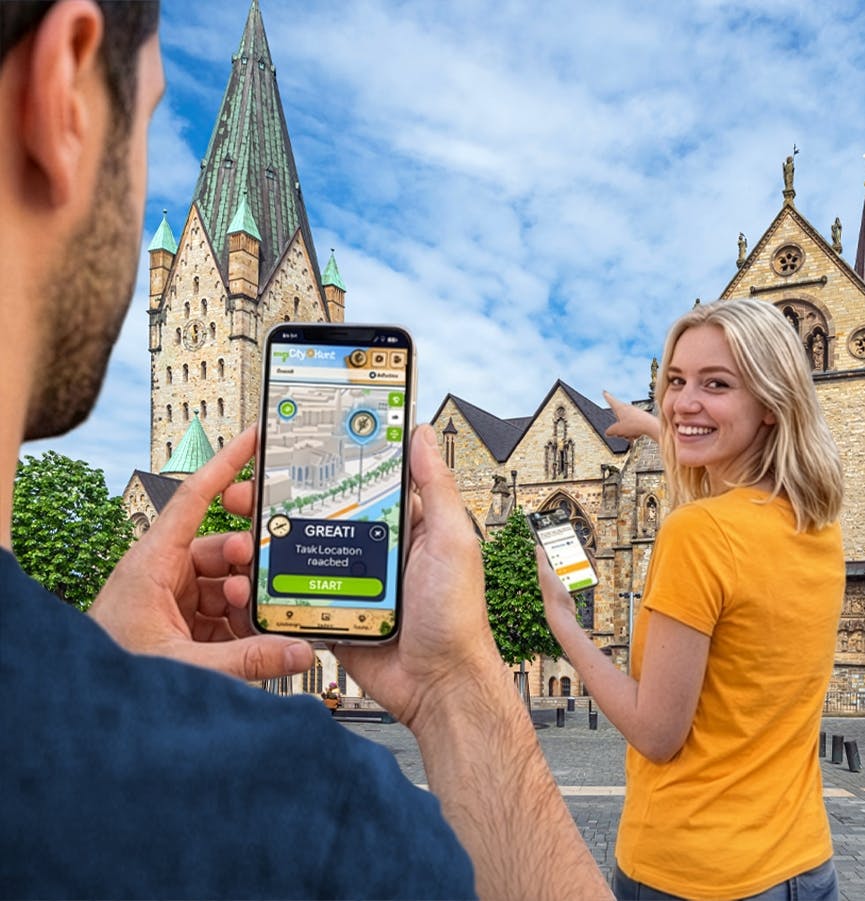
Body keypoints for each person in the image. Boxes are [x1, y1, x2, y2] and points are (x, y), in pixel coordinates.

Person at [0, 3, 610, 898]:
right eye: (150, 114)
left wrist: (98, 677)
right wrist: (455, 685)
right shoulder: (306, 818)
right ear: (64, 90)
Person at [542, 298, 846, 900]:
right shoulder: (817, 524)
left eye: (716, 383)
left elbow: (657, 734)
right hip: (802, 862)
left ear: (770, 402)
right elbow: (734, 461)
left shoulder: (698, 533)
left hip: (693, 871)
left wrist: (565, 626)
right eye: (675, 382)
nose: (683, 401)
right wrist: (655, 426)